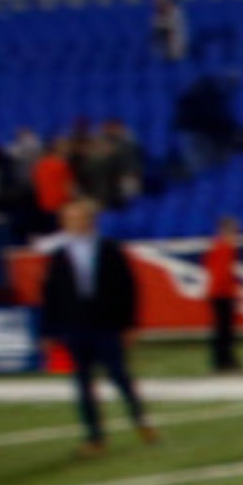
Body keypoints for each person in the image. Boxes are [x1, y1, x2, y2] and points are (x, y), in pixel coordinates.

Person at [38, 195, 155, 457]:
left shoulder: (110, 249)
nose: (76, 223)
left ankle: (140, 420)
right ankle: (94, 437)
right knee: (82, 384)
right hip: (76, 327)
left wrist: (130, 324)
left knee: (119, 376)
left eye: (80, 218)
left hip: (107, 325)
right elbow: (50, 295)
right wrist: (47, 331)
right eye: (70, 219)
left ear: (91, 220)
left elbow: (128, 288)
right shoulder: (58, 256)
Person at [202, 214, 243, 372]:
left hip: (219, 293)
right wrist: (231, 291)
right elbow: (222, 274)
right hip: (222, 294)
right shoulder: (223, 248)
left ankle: (224, 360)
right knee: (224, 330)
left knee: (223, 330)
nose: (236, 235)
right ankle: (224, 361)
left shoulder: (218, 247)